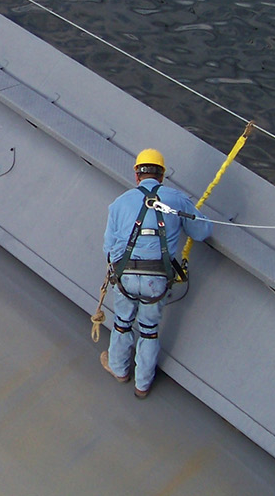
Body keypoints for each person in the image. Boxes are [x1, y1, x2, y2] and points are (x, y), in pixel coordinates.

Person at [99, 148, 212, 398]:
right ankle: (142, 385)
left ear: (137, 175)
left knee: (122, 323)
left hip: (125, 278)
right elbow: (202, 232)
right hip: (157, 281)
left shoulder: (119, 203)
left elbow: (109, 248)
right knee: (149, 330)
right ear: (162, 175)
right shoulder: (176, 199)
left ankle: (119, 369)